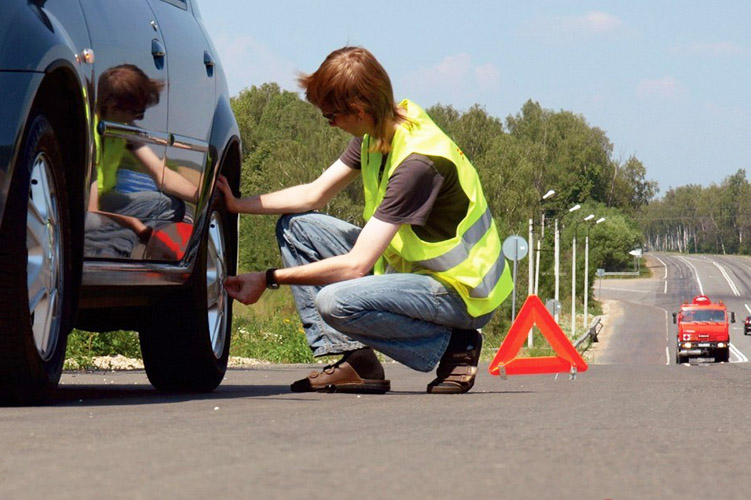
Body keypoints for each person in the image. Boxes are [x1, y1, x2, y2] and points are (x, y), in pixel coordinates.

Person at [216, 46, 512, 394]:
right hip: (412, 275)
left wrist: (268, 279)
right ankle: (357, 363)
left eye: (331, 117)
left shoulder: (418, 163)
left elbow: (356, 266)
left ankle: (455, 346)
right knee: (297, 228)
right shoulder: (379, 132)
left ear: (357, 110)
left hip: (460, 293)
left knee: (335, 302)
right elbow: (314, 194)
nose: (330, 124)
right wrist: (237, 204)